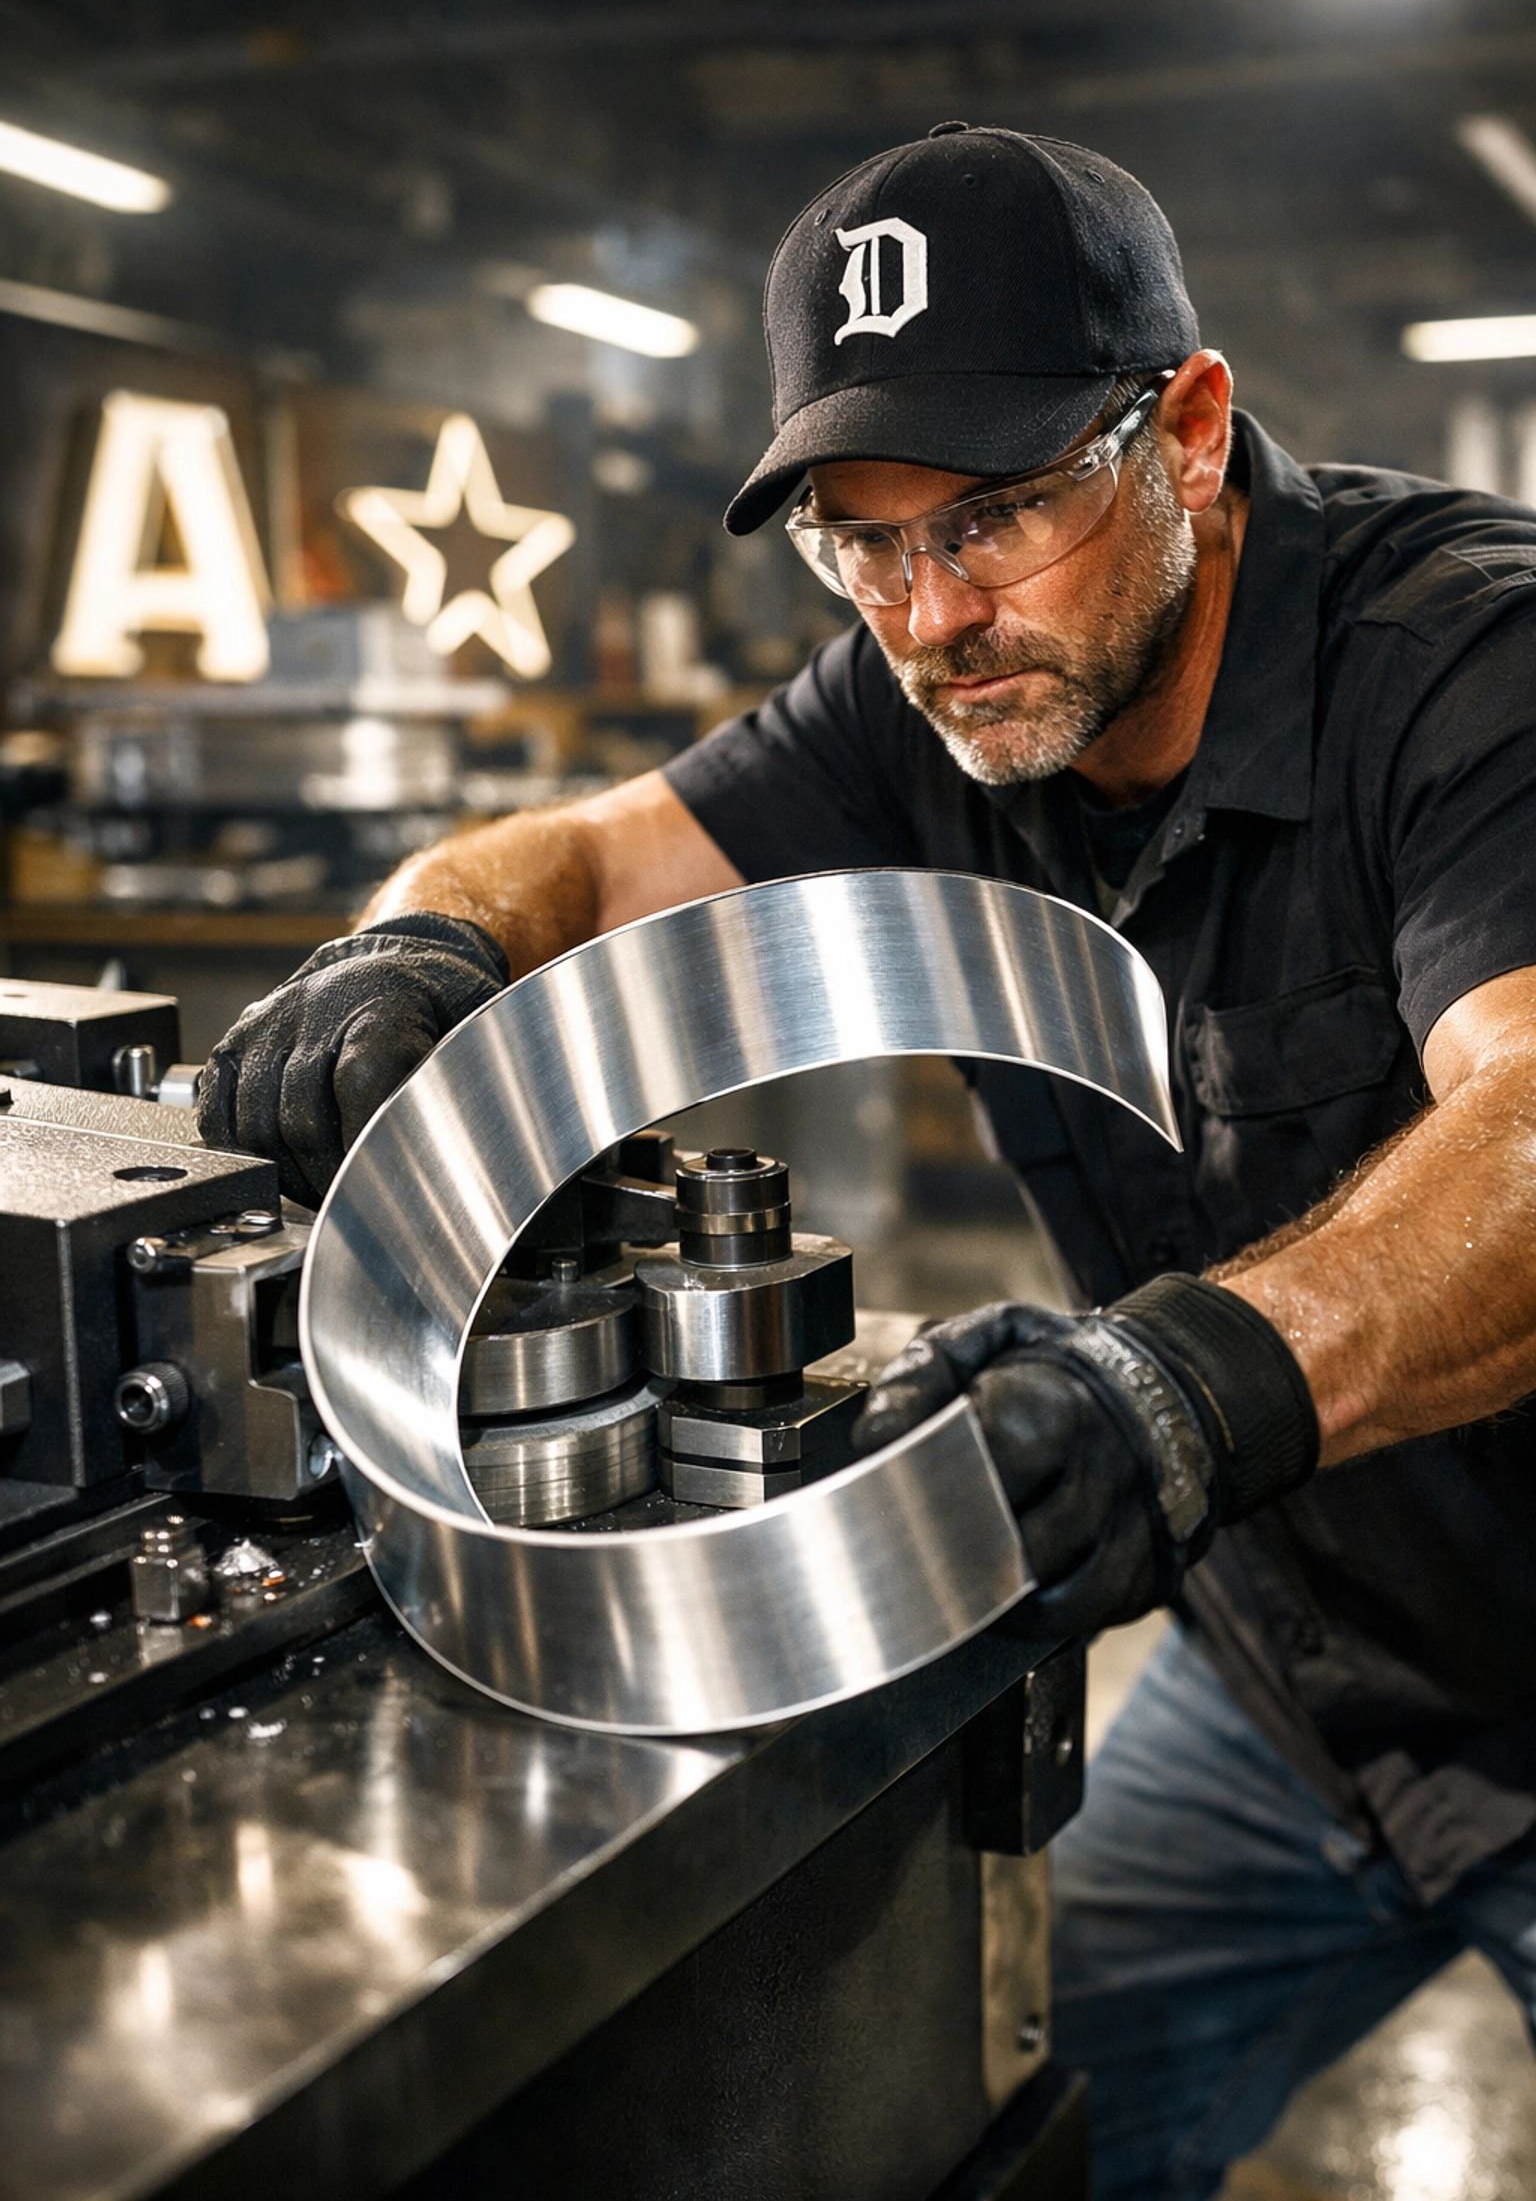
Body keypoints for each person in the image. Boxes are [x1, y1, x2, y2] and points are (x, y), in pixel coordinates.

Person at [201, 124, 1536, 2196]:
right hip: (1300, 1691)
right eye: (862, 541)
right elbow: (585, 858)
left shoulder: (1467, 668)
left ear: (1189, 432)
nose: (933, 615)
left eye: (997, 513)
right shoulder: (926, 694)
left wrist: (1175, 1383)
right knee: (1003, 2132)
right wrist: (421, 937)